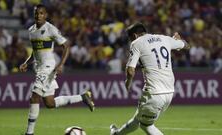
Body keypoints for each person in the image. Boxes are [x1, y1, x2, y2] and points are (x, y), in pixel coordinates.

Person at [19, 4, 95, 135]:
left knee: (34, 97)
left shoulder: (50, 29)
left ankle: (29, 133)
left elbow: (66, 45)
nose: (38, 16)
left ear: (46, 15)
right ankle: (83, 97)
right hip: (39, 68)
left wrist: (61, 65)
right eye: (36, 13)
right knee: (50, 103)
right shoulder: (31, 30)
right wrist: (26, 62)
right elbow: (35, 51)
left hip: (48, 67)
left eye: (41, 13)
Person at [110, 22, 189, 135]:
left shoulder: (136, 43)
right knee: (139, 118)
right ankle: (117, 134)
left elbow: (130, 70)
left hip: (154, 93)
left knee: (146, 125)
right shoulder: (164, 39)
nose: (131, 41)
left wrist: (128, 83)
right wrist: (177, 41)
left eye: (130, 38)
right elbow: (186, 45)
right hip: (169, 92)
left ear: (135, 35)